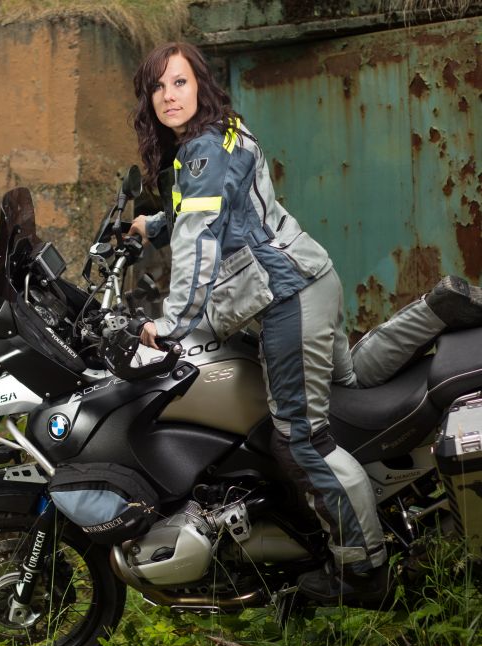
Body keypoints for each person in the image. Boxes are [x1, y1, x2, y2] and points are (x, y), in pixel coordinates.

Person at [128, 41, 482, 605]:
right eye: (158, 86)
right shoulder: (223, 133)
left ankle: (362, 568)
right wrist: (154, 225)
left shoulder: (201, 151)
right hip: (311, 276)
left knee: (302, 437)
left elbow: (200, 242)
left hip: (285, 297)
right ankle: (436, 309)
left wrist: (172, 325)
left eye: (179, 82)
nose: (168, 96)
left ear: (200, 85)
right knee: (349, 380)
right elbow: (218, 208)